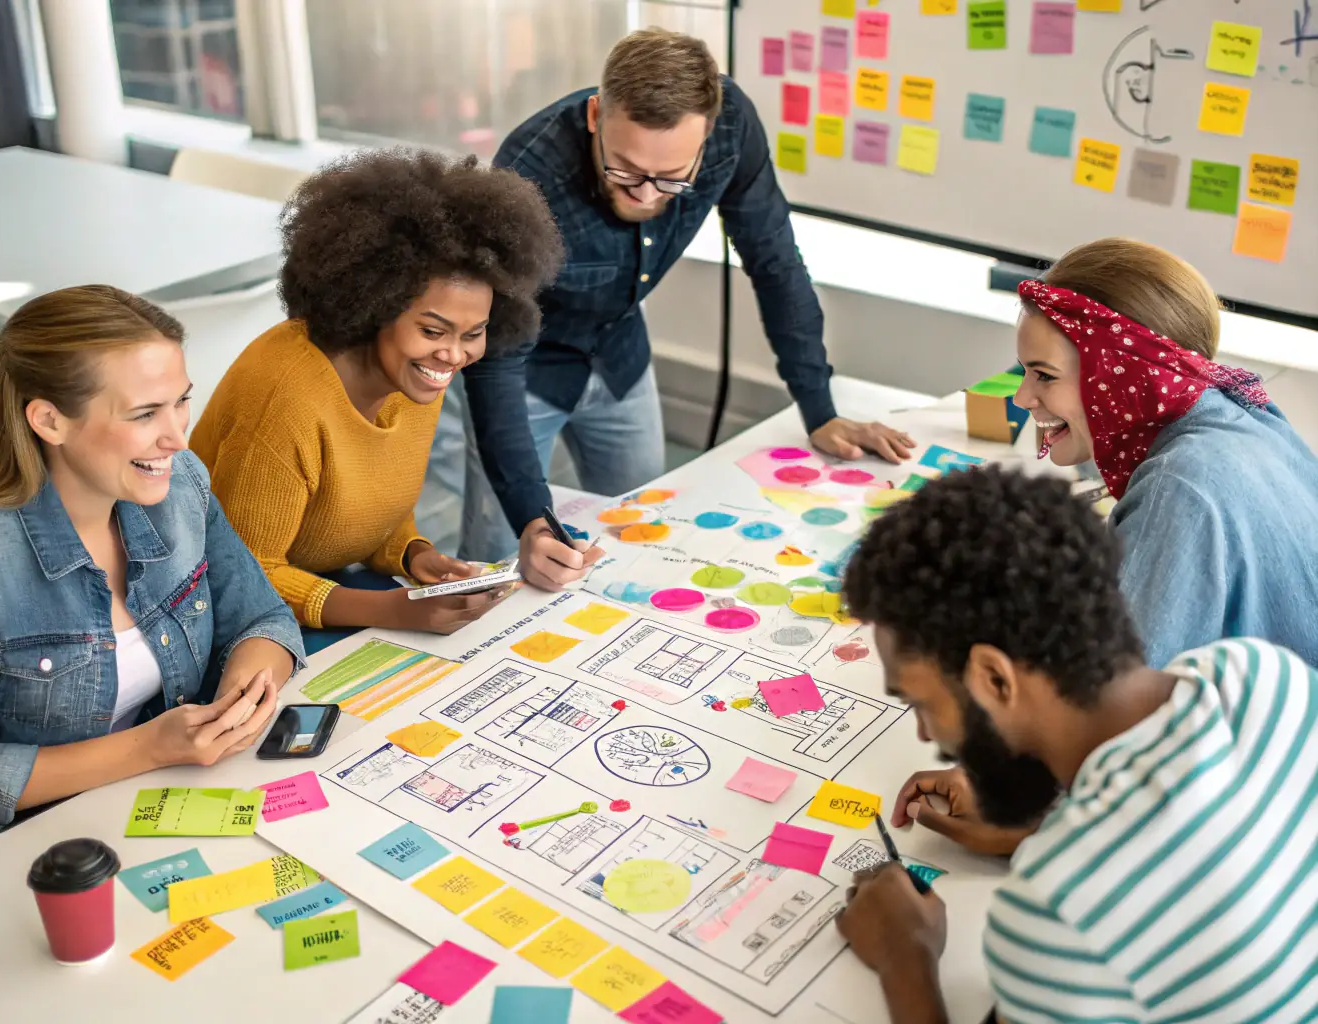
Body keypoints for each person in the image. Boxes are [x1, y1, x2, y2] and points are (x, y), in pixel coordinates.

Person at [836, 464, 1318, 1024]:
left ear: (994, 678)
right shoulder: (1263, 674)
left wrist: (905, 956)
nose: (926, 735)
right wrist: (1042, 829)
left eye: (920, 703)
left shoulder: (1056, 914)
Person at [461, 27, 915, 586]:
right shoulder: (527, 176)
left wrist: (818, 409)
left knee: (642, 538)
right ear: (597, 115)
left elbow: (775, 263)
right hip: (525, 372)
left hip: (621, 354)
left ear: (707, 137)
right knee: (499, 564)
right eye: (623, 170)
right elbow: (498, 355)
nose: (647, 195)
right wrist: (530, 516)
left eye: (673, 179)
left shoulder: (731, 127)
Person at [0, 286, 304, 843]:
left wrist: (245, 695)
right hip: (30, 842)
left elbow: (263, 619)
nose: (177, 436)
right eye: (144, 414)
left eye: (181, 401)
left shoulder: (181, 485)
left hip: (167, 799)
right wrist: (150, 747)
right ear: (49, 420)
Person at [190, 149, 563, 652]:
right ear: (373, 305)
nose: (453, 355)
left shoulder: (416, 375)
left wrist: (412, 554)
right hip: (233, 619)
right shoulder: (285, 400)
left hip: (331, 586)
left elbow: (365, 511)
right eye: (433, 329)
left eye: (475, 333)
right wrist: (392, 608)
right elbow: (242, 574)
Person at [1012, 237, 1318, 670]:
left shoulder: (1177, 485)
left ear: (1123, 375)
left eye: (1044, 375)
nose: (1023, 396)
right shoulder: (1247, 414)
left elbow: (1106, 691)